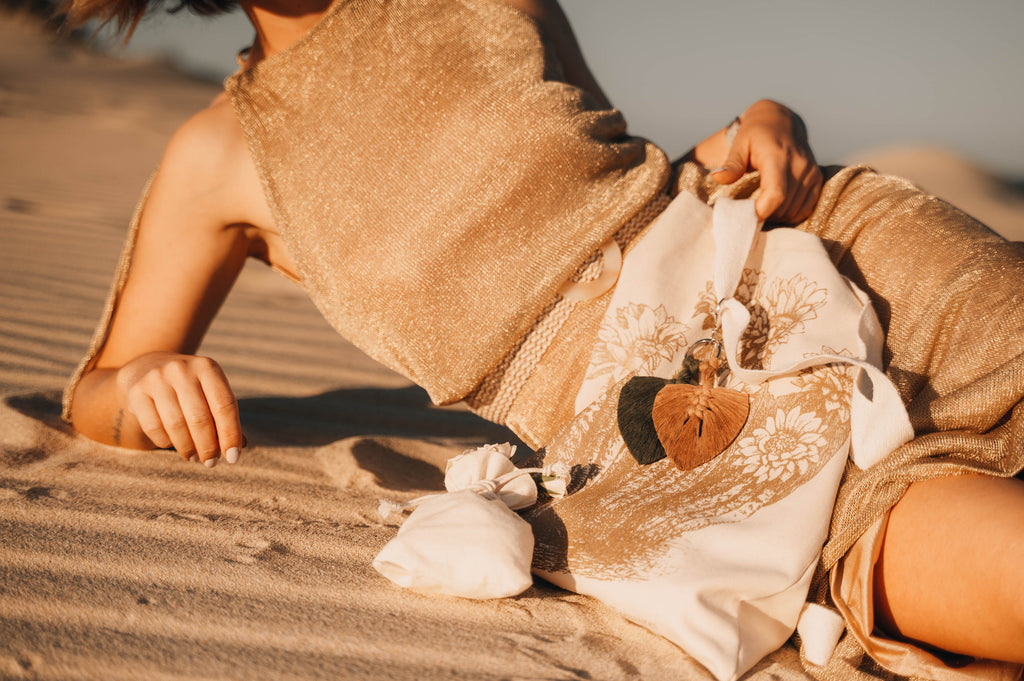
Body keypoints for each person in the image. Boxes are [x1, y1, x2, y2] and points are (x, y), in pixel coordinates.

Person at [57, 0, 1024, 677]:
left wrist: (755, 125)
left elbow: (622, 184)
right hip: (670, 449)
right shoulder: (223, 153)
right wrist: (142, 382)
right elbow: (93, 388)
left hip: (820, 256)